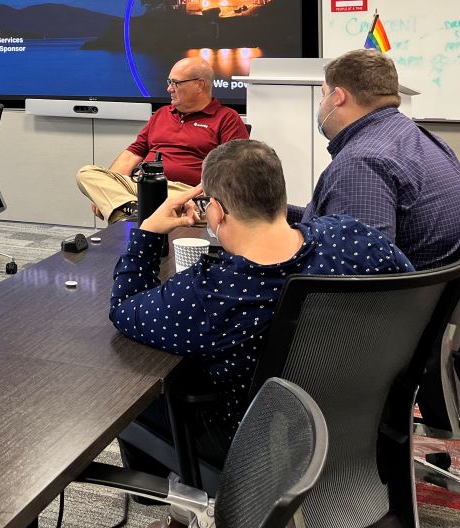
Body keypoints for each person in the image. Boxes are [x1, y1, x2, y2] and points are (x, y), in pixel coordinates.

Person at [110, 138, 412, 473]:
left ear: (217, 211)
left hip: (257, 448)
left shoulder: (214, 292)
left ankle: (178, 513)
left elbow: (125, 306)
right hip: (361, 423)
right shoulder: (354, 237)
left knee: (132, 396)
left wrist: (149, 229)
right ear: (279, 197)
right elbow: (412, 292)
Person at [296, 49, 460, 269]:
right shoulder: (418, 138)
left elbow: (358, 274)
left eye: (323, 94)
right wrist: (268, 215)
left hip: (396, 299)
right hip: (432, 292)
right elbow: (336, 220)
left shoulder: (361, 163)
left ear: (338, 97)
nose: (320, 104)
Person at [76, 57, 247, 223]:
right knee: (86, 173)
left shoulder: (226, 118)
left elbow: (233, 171)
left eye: (176, 83)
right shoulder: (161, 114)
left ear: (199, 85)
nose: (169, 89)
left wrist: (198, 195)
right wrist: (109, 188)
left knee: (179, 200)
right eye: (169, 82)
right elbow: (132, 154)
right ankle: (131, 208)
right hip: (143, 187)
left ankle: (133, 212)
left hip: (184, 193)